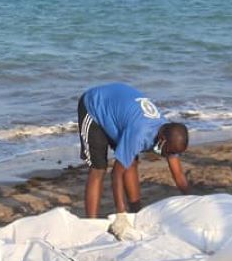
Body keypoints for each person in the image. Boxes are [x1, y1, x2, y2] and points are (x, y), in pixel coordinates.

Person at [78, 83, 190, 236]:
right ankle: (91, 225)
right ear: (162, 139)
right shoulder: (140, 134)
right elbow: (116, 174)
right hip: (95, 107)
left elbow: (178, 175)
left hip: (120, 113)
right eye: (169, 152)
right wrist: (121, 213)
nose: (169, 155)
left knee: (130, 163)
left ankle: (136, 211)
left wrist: (192, 200)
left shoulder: (170, 137)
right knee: (98, 169)